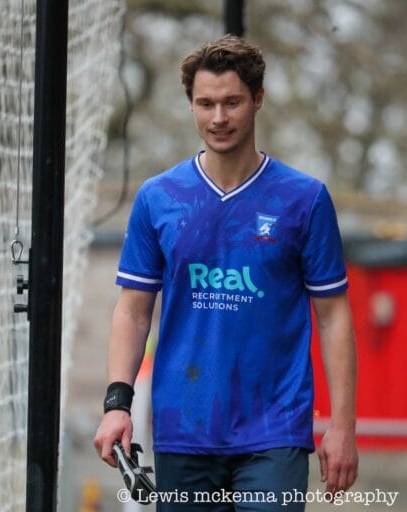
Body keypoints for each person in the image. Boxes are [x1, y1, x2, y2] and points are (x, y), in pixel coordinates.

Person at [93, 35, 358, 511]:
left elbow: (334, 317)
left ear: (258, 99)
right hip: (182, 427)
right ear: (191, 106)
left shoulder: (305, 200)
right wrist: (118, 405)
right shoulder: (158, 199)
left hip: (275, 430)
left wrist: (343, 426)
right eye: (206, 103)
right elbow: (133, 312)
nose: (218, 118)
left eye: (232, 102)